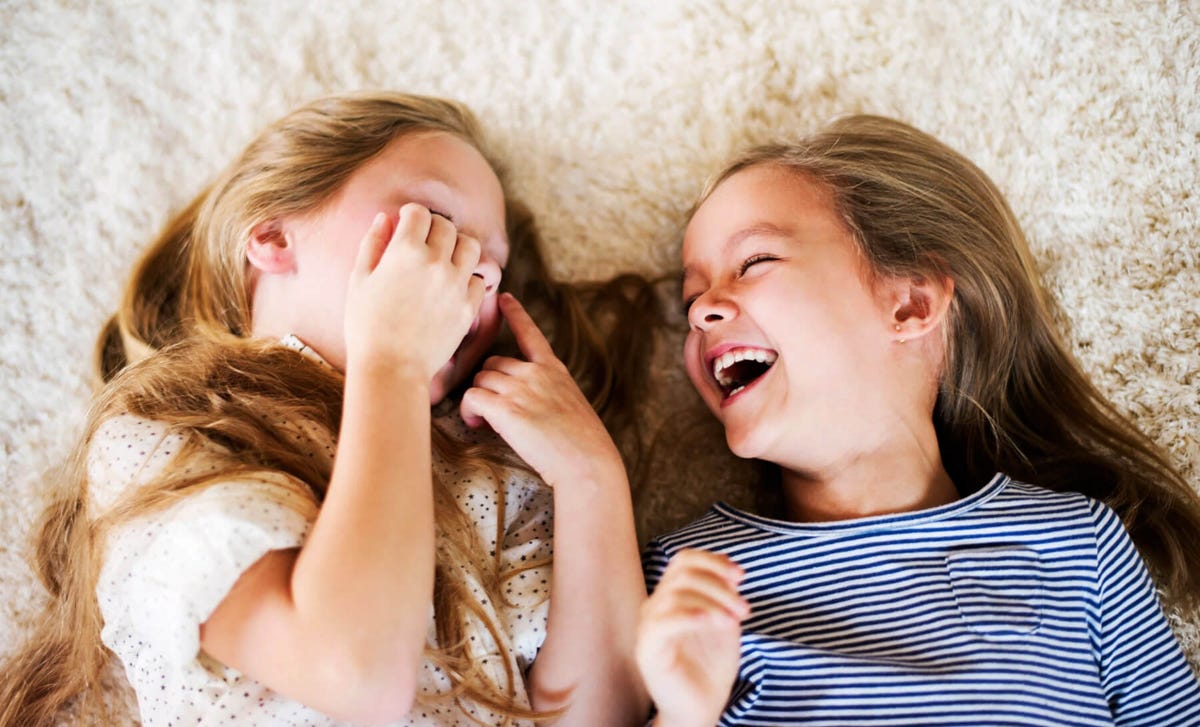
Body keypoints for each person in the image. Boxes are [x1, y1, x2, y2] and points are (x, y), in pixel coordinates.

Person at [0, 91, 654, 727]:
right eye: (435, 223)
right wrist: (391, 358)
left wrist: (591, 476)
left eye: (495, 271)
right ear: (272, 234)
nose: (475, 270)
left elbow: (594, 717)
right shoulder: (172, 434)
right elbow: (356, 672)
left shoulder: (493, 481)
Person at [635, 114, 1200, 726]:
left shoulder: (1077, 545)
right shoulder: (681, 578)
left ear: (910, 303)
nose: (702, 313)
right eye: (692, 299)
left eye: (755, 261)